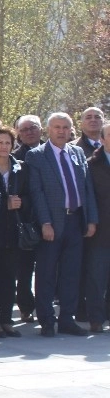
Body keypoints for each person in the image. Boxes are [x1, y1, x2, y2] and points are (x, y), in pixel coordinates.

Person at [26, 112, 98, 337]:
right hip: (52, 223)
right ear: (49, 130)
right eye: (57, 127)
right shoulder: (36, 156)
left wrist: (91, 219)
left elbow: (87, 189)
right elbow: (36, 193)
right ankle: (47, 320)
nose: (61, 131)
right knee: (46, 274)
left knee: (71, 273)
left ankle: (67, 318)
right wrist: (45, 222)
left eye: (66, 127)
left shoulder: (77, 152)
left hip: (75, 221)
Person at [0, 127, 29, 338]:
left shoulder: (21, 168)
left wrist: (20, 203)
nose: (4, 147)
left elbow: (29, 196)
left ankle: (6, 319)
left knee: (9, 279)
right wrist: (5, 204)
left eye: (8, 143)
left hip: (13, 231)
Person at [13, 114, 43, 322]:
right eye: (24, 130)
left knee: (47, 269)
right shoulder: (15, 158)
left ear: (41, 129)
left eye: (33, 128)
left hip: (51, 218)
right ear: (18, 134)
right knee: (24, 271)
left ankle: (45, 307)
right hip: (26, 221)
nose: (29, 132)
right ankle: (26, 306)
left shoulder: (51, 152)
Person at [85, 122, 110, 332]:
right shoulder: (92, 165)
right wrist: (91, 222)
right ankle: (96, 318)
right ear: (101, 139)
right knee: (97, 277)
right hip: (101, 230)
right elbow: (89, 197)